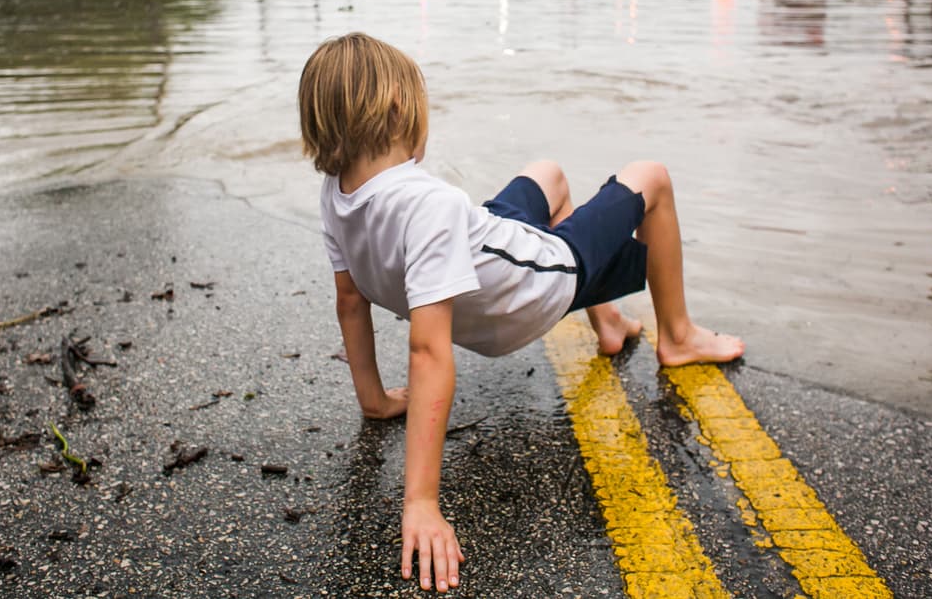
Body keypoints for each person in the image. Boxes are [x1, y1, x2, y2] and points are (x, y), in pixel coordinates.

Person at [297, 32, 744, 594]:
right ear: (395, 112)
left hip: (490, 251)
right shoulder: (429, 205)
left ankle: (608, 322)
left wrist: (376, 399)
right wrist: (421, 503)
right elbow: (429, 350)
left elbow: (350, 301)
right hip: (536, 282)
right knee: (651, 175)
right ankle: (677, 336)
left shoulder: (337, 196)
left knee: (549, 174)